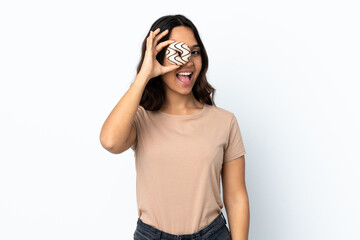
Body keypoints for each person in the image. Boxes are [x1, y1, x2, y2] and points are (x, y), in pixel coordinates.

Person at [100, 14, 249, 240]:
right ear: (157, 57)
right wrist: (145, 75)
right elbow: (110, 142)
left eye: (195, 52)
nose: (187, 61)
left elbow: (236, 196)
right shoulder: (140, 119)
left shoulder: (224, 121)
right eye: (177, 51)